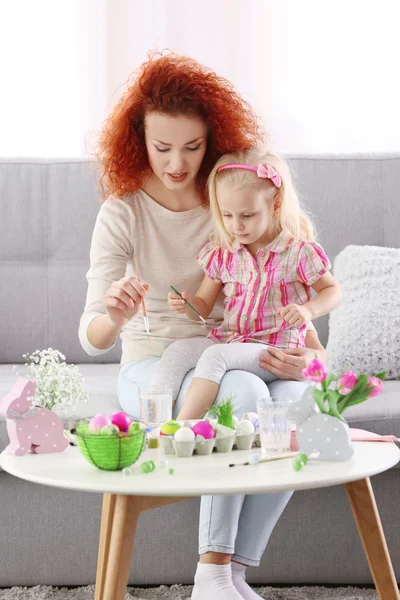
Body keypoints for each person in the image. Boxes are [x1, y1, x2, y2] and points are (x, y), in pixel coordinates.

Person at [79, 52, 327, 600]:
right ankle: (210, 574)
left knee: (299, 402)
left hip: (244, 351)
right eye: (161, 147)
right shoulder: (123, 211)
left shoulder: (238, 200)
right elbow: (91, 336)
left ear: (211, 140)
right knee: (238, 392)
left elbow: (295, 304)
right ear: (136, 139)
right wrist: (114, 316)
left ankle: (235, 573)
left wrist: (304, 359)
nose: (176, 163)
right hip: (154, 364)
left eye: (191, 148)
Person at [152, 148, 341, 420]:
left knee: (215, 357)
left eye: (247, 215)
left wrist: (308, 311)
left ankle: (182, 429)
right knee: (177, 352)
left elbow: (332, 290)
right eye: (227, 215)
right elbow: (203, 306)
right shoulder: (225, 251)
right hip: (232, 340)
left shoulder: (297, 251)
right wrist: (187, 305)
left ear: (275, 205)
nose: (235, 226)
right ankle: (155, 422)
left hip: (274, 347)